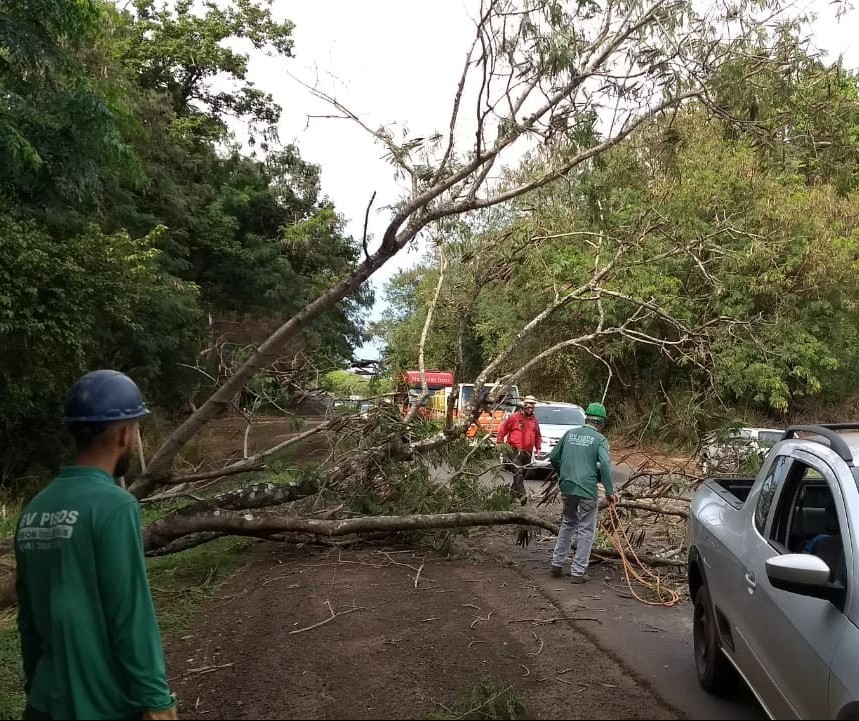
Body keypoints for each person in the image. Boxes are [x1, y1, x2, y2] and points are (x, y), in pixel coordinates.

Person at [15, 370, 178, 720]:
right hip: (104, 705)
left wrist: (35, 686)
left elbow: (27, 620)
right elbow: (130, 614)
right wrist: (157, 700)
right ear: (125, 432)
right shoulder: (115, 506)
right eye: (136, 429)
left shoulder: (34, 510)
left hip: (44, 704)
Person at [548, 402, 618, 582]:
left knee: (568, 522)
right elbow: (605, 466)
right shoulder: (600, 440)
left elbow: (554, 457)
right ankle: (578, 572)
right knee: (586, 529)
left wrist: (563, 473)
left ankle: (557, 563)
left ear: (586, 418)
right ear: (601, 423)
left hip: (567, 486)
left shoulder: (569, 434)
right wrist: (610, 491)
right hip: (587, 489)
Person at [496, 395, 542, 505]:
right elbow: (503, 430)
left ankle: (510, 496)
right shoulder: (514, 418)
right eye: (528, 407)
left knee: (521, 475)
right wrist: (499, 442)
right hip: (514, 450)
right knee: (518, 473)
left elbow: (537, 435)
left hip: (528, 451)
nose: (530, 410)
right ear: (523, 407)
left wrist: (538, 448)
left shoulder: (534, 420)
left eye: (532, 408)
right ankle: (522, 495)